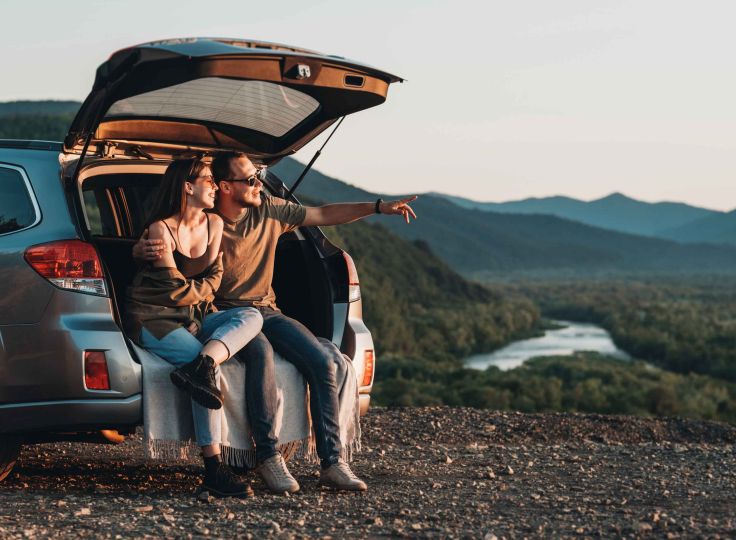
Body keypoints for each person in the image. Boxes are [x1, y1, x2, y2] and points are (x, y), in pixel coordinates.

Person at [135, 151, 417, 493]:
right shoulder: (204, 215)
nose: (258, 184)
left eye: (258, 178)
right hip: (221, 313)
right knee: (261, 355)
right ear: (224, 186)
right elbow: (171, 237)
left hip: (265, 309)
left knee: (324, 359)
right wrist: (140, 249)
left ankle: (333, 462)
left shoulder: (269, 209)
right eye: (250, 179)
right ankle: (269, 457)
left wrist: (378, 207)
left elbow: (323, 213)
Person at [125, 158, 263, 497]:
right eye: (208, 180)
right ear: (187, 186)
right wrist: (200, 297)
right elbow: (173, 289)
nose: (215, 186)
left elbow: (214, 281)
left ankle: (204, 363)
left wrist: (198, 308)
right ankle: (214, 469)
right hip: (154, 317)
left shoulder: (215, 224)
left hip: (193, 317)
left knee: (251, 317)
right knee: (208, 379)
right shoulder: (160, 229)